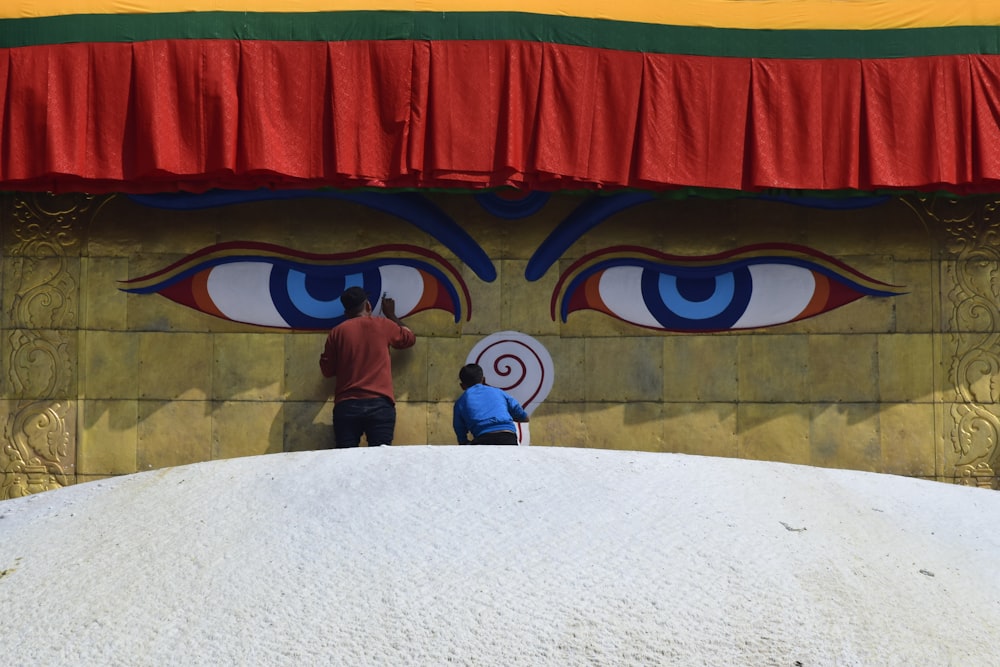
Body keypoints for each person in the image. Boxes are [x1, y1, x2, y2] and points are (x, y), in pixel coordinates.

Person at [320, 286, 416, 448]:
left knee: (345, 460)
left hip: (347, 406)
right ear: (368, 306)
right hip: (380, 405)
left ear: (346, 312)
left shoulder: (337, 332)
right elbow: (409, 338)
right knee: (380, 460)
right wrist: (391, 315)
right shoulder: (383, 325)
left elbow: (327, 371)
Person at [453, 363, 529, 445]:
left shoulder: (460, 402)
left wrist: (465, 443)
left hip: (483, 438)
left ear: (462, 386)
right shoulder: (499, 392)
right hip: (508, 437)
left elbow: (459, 431)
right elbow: (523, 416)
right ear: (483, 380)